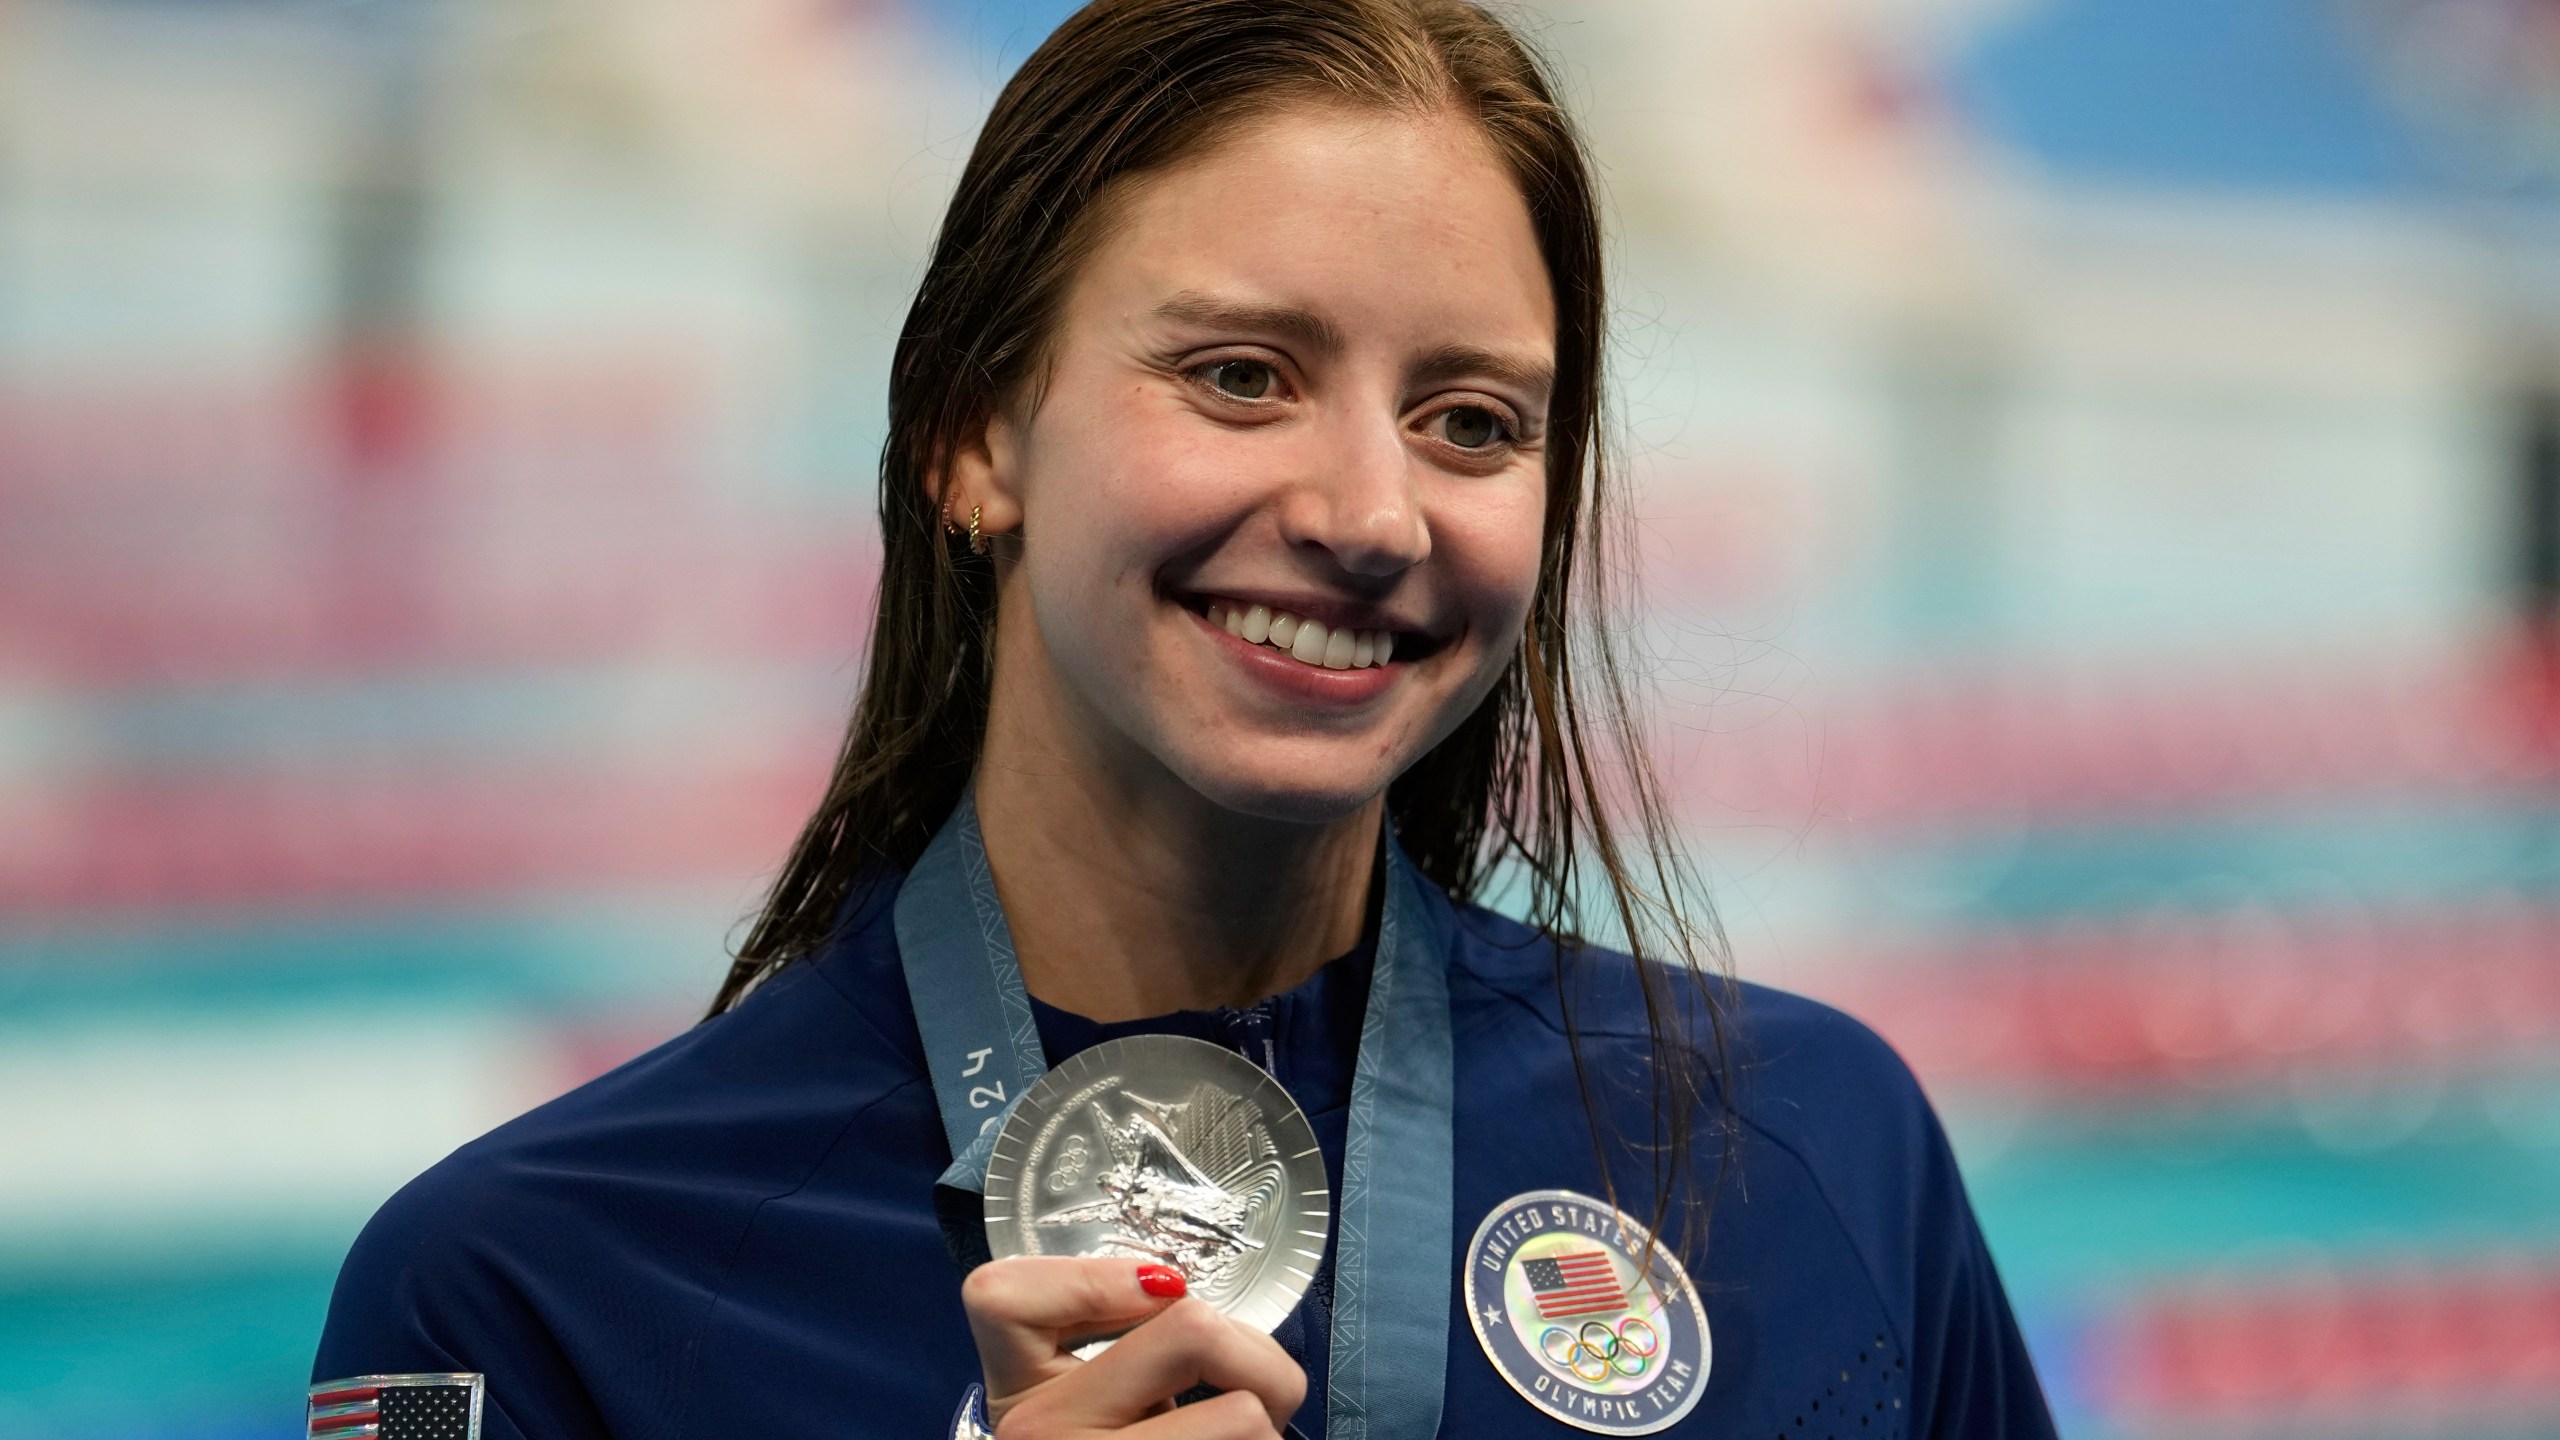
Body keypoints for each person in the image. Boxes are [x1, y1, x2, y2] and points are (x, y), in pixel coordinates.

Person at [310, 1, 2058, 1437]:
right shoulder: (533, 1291)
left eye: (1470, 421)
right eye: (1241, 376)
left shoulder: (1812, 1153)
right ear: (977, 436)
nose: (1373, 514)